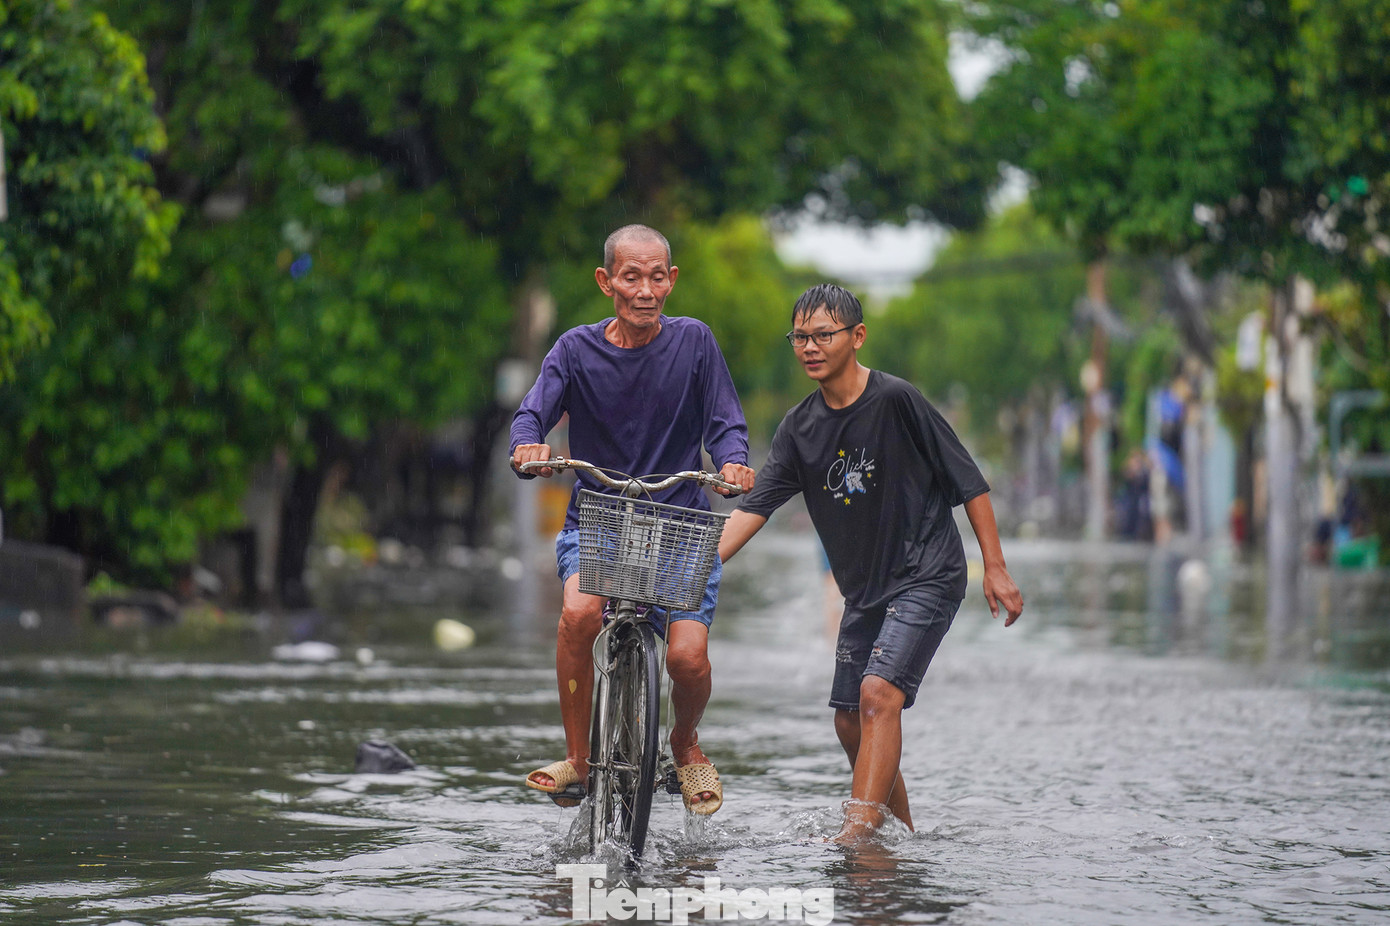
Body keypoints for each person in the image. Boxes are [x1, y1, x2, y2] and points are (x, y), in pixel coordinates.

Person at [718, 283, 1023, 843]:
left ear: (857, 338)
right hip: (866, 591)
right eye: (800, 337)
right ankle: (901, 834)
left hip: (928, 572)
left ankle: (857, 834)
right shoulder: (799, 428)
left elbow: (970, 481)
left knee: (879, 695)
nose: (810, 347)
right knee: (848, 719)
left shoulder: (897, 400)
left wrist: (996, 567)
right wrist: (699, 564)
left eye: (823, 335)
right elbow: (753, 510)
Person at [510, 224, 755, 816]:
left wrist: (734, 462)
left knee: (687, 659)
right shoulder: (573, 349)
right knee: (578, 613)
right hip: (597, 523)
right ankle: (576, 758)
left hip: (681, 527)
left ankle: (685, 744)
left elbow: (725, 421)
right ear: (606, 282)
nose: (644, 290)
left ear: (671, 281)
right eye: (630, 276)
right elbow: (531, 415)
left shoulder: (695, 342)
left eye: (656, 276)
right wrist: (529, 447)